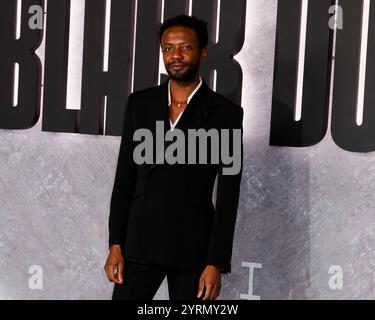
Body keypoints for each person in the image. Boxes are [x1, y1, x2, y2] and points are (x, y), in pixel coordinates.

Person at [104, 14, 244, 300]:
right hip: (140, 244)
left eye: (185, 47)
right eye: (168, 48)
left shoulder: (227, 114)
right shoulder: (139, 104)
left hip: (194, 251)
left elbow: (229, 196)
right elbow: (124, 180)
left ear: (203, 51)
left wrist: (215, 262)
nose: (175, 56)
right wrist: (116, 243)